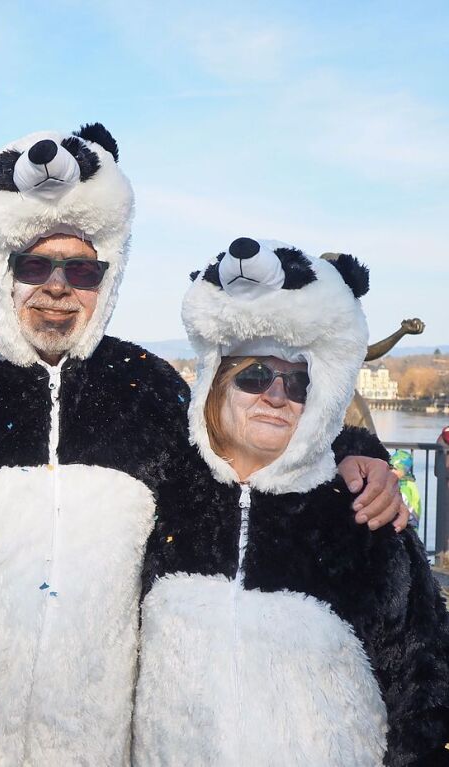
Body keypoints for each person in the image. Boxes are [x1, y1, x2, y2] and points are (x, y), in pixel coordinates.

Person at [0, 124, 404, 764]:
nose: (58, 287)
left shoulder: (144, 387)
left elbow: (238, 450)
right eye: (36, 264)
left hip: (94, 743)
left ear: (106, 278)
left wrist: (354, 449)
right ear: (3, 270)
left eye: (82, 270)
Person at [135, 238, 449, 766]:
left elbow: (424, 688)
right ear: (216, 382)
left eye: (299, 383)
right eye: (255, 375)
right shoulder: (163, 494)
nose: (277, 396)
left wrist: (358, 450)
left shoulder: (359, 515)